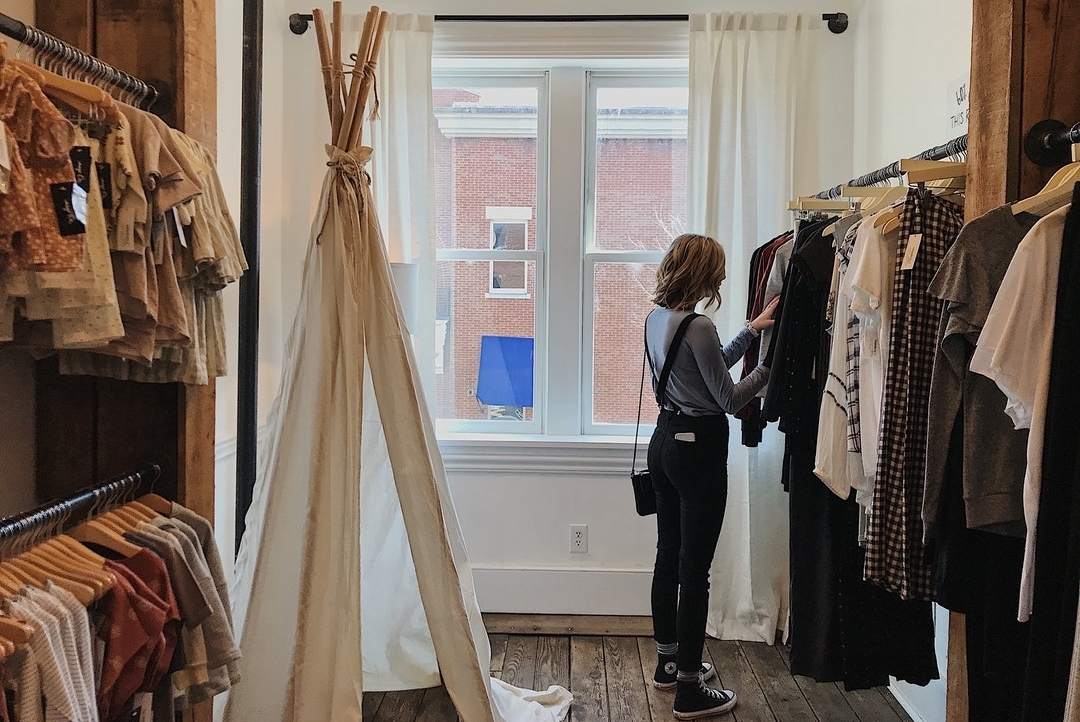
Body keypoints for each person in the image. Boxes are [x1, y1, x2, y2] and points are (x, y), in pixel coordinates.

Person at [644, 233, 777, 719]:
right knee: (694, 571)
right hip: (697, 453)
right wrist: (769, 367)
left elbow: (705, 368)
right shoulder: (698, 325)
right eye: (718, 270)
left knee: (667, 555)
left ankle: (668, 663)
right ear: (702, 273)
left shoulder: (658, 318)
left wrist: (749, 329)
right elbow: (728, 397)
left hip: (665, 444)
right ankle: (689, 689)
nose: (722, 277)